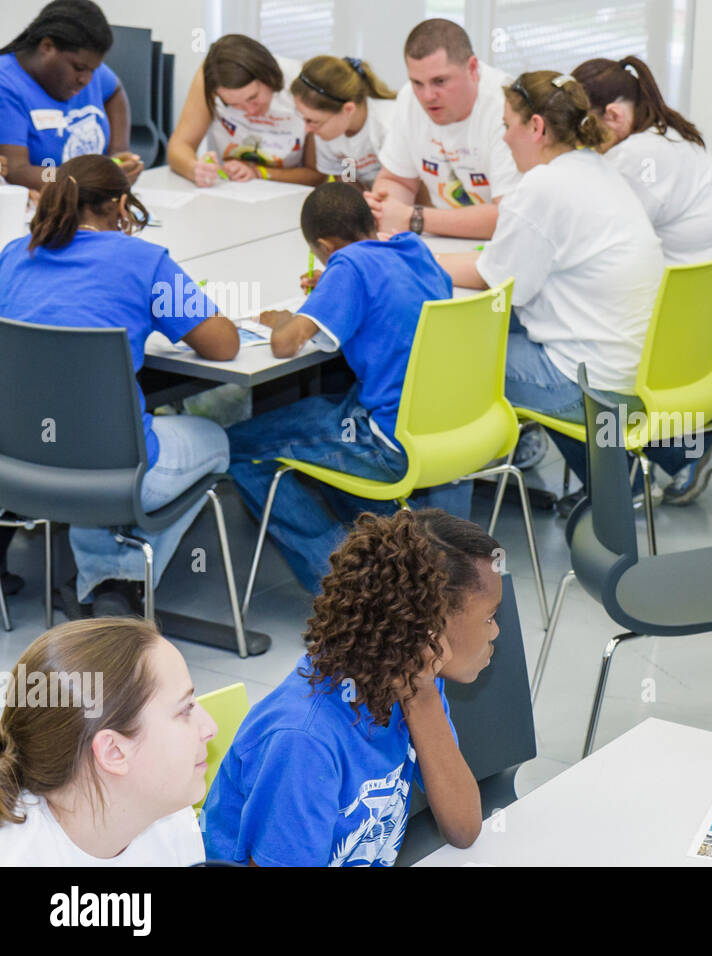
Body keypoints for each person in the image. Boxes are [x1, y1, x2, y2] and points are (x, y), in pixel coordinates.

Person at [0, 154, 238, 616]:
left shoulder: (12, 255)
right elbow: (223, 345)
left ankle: (102, 577)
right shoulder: (144, 262)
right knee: (215, 439)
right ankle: (115, 582)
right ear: (122, 203)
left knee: (96, 434)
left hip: (16, 466)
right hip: (114, 475)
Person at [202, 509, 498, 865]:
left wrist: (421, 696)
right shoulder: (305, 741)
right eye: (489, 618)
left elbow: (464, 828)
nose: (495, 632)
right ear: (428, 629)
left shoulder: (416, 681)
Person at [225, 182, 470, 594]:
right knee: (321, 413)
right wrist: (332, 288)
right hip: (441, 423)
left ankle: (346, 580)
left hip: (387, 439)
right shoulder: (413, 249)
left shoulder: (350, 268)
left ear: (323, 245)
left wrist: (284, 316)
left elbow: (286, 345)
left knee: (236, 446)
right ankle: (383, 548)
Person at [435, 70, 668, 500]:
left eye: (508, 126)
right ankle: (584, 472)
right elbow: (509, 272)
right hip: (634, 373)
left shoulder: (543, 186)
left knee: (439, 361)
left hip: (591, 387)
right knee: (507, 330)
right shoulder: (595, 168)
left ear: (536, 127)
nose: (504, 139)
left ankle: (443, 521)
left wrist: (400, 259)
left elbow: (497, 283)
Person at [573, 54, 712, 504]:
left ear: (612, 116)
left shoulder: (636, 156)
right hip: (710, 331)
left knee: (562, 349)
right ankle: (679, 452)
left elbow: (594, 239)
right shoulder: (672, 137)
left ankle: (628, 478)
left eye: (583, 130)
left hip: (683, 340)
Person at [0, 618, 217, 866]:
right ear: (113, 751)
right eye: (185, 709)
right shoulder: (16, 857)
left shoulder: (169, 816)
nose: (211, 728)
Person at [366, 19, 520, 240]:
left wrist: (414, 218)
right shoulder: (409, 97)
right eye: (417, 83)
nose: (427, 96)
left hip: (501, 246)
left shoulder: (507, 106)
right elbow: (397, 180)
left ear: (473, 68)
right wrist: (384, 209)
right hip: (443, 240)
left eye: (440, 81)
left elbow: (511, 218)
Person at [0, 0, 142, 191]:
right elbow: (17, 171)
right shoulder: (6, 83)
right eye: (80, 68)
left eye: (94, 70)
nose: (86, 80)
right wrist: (82, 177)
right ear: (47, 46)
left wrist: (118, 153)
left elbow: (115, 90)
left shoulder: (87, 69)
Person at [167, 34, 323, 186]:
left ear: (270, 76)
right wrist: (194, 168)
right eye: (233, 104)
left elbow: (316, 175)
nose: (249, 110)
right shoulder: (210, 78)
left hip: (286, 192)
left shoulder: (302, 83)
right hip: (228, 189)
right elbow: (179, 147)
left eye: (253, 97)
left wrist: (258, 172)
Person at [290, 55, 397, 190]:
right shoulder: (328, 134)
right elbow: (347, 178)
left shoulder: (389, 124)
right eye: (304, 119)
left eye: (313, 121)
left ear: (348, 109)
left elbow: (404, 185)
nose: (308, 129)